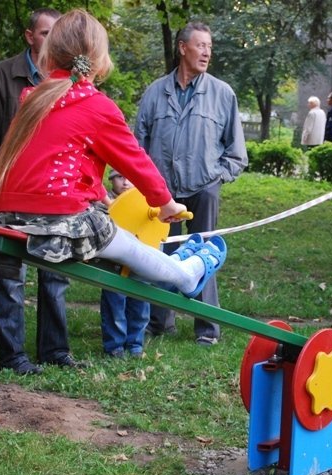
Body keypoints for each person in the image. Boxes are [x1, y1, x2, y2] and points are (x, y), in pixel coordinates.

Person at [0, 10, 227, 344]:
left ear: (50, 52)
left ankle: (169, 279)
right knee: (127, 245)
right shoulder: (96, 105)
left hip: (9, 216)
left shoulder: (33, 99)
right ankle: (184, 276)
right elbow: (136, 162)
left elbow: (52, 163)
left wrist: (100, 195)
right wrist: (167, 203)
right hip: (58, 221)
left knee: (115, 235)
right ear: (98, 59)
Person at [0, 8, 74, 375]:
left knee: (55, 275)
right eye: (46, 33)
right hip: (12, 195)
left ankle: (55, 350)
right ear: (30, 36)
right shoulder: (2, 76)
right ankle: (12, 355)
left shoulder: (70, 78)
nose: (53, 39)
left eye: (58, 33)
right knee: (10, 276)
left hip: (55, 196)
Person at [135, 21, 247, 346]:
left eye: (209, 47)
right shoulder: (156, 92)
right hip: (162, 192)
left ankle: (207, 330)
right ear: (182, 48)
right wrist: (139, 181)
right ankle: (159, 323)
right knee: (161, 255)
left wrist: (216, 178)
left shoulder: (222, 94)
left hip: (204, 188)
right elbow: (138, 141)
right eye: (200, 45)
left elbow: (237, 152)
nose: (207, 52)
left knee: (205, 256)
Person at [100, 170, 150, 358]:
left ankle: (135, 343)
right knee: (114, 303)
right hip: (113, 263)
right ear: (111, 179)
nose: (126, 182)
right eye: (120, 177)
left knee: (140, 302)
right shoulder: (103, 203)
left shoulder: (145, 202)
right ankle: (115, 346)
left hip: (140, 262)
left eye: (130, 177)